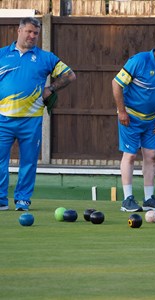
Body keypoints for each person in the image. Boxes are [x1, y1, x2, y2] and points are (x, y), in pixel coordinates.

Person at [0, 17, 76, 211]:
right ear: (19, 31)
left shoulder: (45, 57)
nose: (32, 36)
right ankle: (1, 200)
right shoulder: (1, 55)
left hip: (31, 120)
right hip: (3, 119)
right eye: (29, 31)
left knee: (29, 161)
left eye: (36, 33)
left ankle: (23, 200)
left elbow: (69, 75)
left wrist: (50, 88)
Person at [112, 37, 155, 212]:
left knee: (151, 156)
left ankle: (149, 199)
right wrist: (121, 111)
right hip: (131, 117)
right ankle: (127, 200)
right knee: (130, 155)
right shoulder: (139, 61)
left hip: (152, 119)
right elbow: (116, 83)